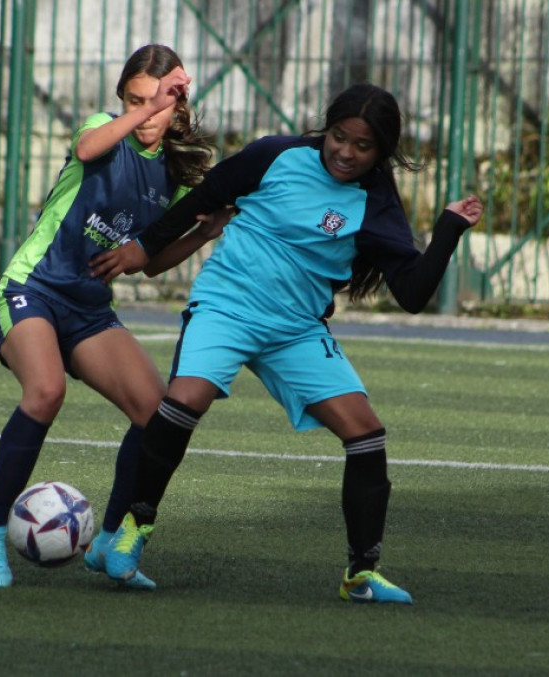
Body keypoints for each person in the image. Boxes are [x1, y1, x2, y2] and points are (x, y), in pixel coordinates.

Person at [90, 82, 485, 604]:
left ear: (381, 152)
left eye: (362, 146)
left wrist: (450, 229)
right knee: (185, 400)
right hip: (227, 306)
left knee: (366, 434)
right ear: (327, 128)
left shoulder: (376, 203)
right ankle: (135, 529)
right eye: (339, 137)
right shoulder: (274, 154)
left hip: (296, 329)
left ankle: (361, 574)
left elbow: (412, 294)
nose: (345, 151)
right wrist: (144, 246)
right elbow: (205, 199)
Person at [0, 44, 218, 589]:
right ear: (123, 100)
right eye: (136, 100)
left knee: (156, 414)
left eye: (161, 105)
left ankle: (107, 541)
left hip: (87, 309)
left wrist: (202, 232)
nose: (148, 115)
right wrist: (145, 106)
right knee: (45, 391)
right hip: (32, 290)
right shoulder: (104, 128)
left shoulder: (172, 171)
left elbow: (150, 265)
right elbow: (86, 149)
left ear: (179, 107)